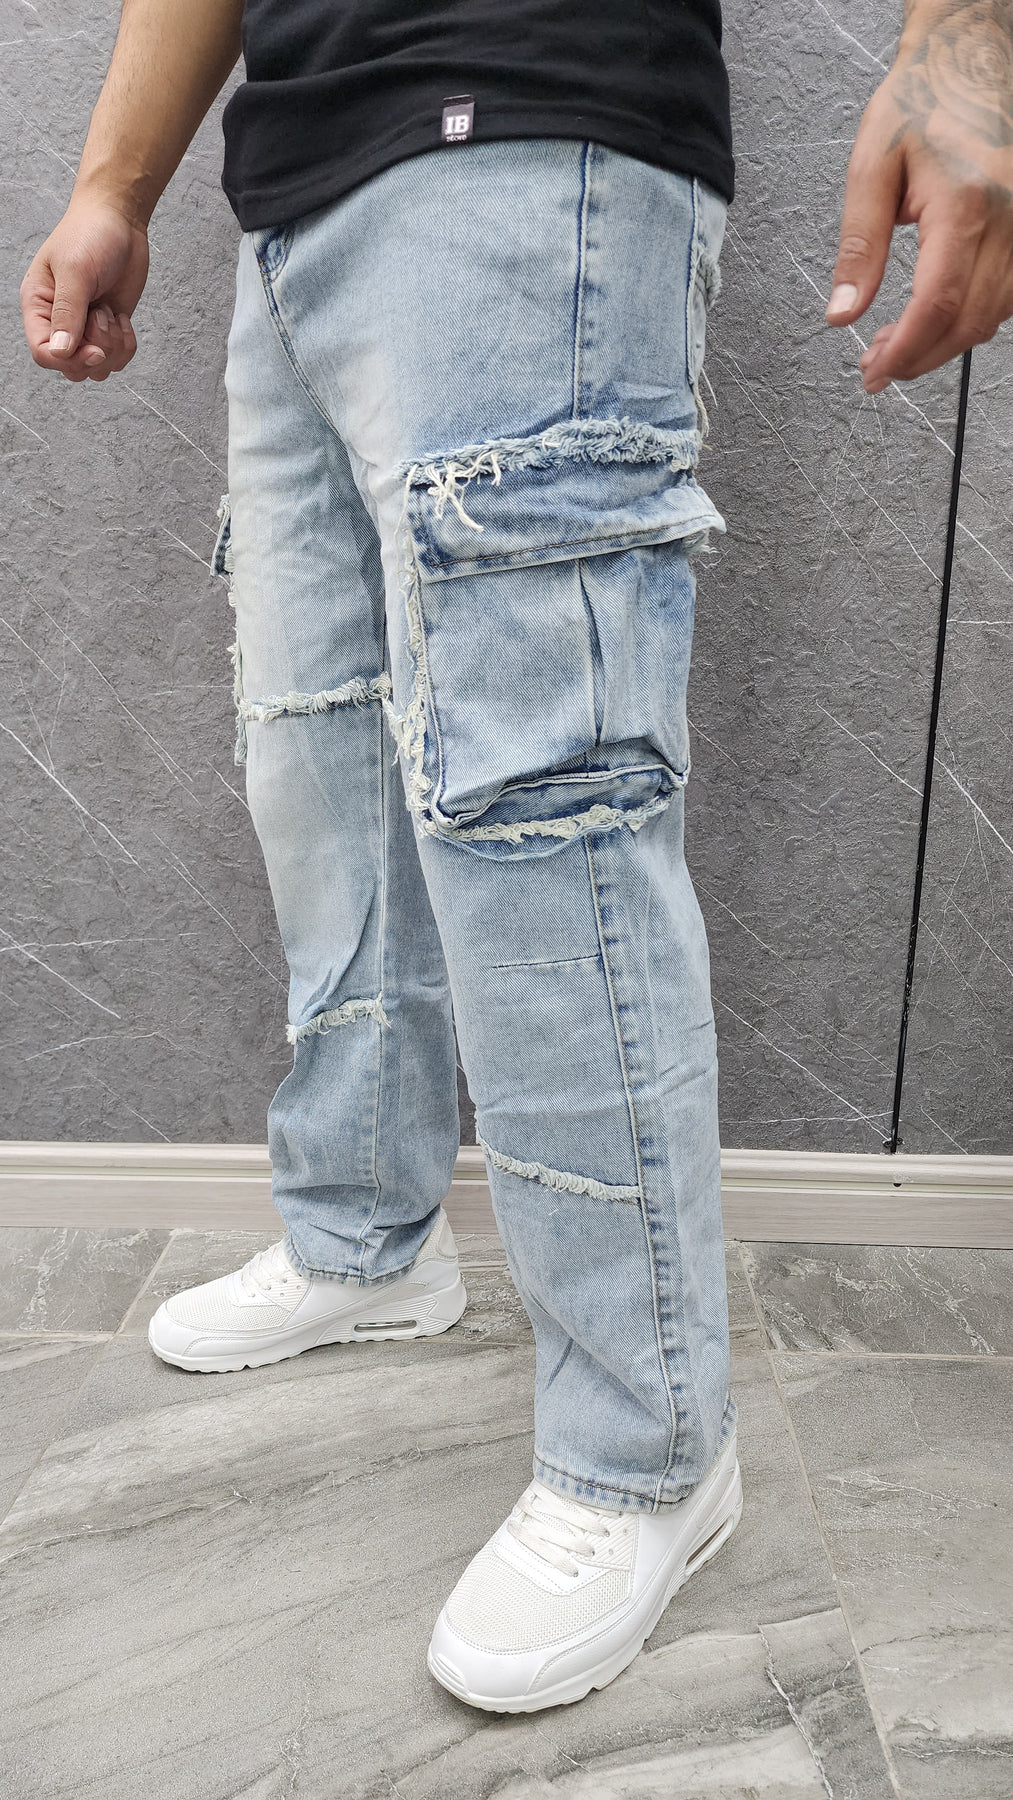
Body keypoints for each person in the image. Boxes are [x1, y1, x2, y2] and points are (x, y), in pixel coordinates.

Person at [21, 0, 1013, 1716]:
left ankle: (647, 1444)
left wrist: (969, 45)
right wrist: (117, 182)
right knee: (319, 759)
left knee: (544, 808)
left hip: (531, 129)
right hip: (293, 201)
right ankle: (365, 1239)